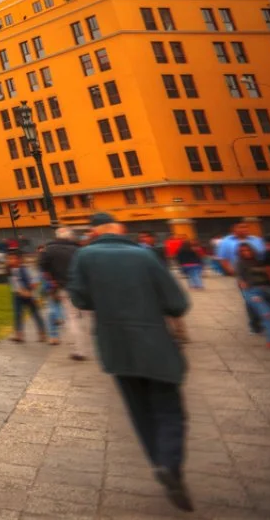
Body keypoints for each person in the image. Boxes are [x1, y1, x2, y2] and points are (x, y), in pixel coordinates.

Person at [68, 212, 193, 513]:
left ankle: (160, 463)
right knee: (169, 408)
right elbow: (177, 303)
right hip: (155, 343)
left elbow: (80, 300)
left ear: (93, 232)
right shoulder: (144, 255)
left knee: (139, 411)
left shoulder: (83, 257)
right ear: (119, 229)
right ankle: (170, 461)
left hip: (114, 344)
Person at [37, 227, 88, 360]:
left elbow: (42, 268)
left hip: (63, 287)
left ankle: (79, 350)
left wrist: (52, 281)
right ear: (70, 237)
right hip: (82, 287)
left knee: (72, 318)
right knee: (84, 317)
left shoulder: (49, 250)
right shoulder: (78, 249)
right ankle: (82, 345)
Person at [233, 243, 270, 352]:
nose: (246, 253)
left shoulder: (259, 261)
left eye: (248, 250)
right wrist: (246, 291)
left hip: (267, 291)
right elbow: (240, 279)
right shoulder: (240, 263)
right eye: (243, 251)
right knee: (267, 316)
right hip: (253, 292)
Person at [215, 223, 265, 332]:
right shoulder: (226, 241)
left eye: (246, 227)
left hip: (260, 272)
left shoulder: (256, 239)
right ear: (234, 229)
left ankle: (267, 319)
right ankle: (255, 324)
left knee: (264, 297)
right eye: (241, 227)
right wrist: (232, 272)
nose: (244, 229)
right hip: (244, 274)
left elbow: (263, 254)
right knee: (250, 300)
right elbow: (223, 258)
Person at [7, 251, 49, 343]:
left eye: (13, 258)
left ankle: (42, 334)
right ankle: (19, 334)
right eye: (9, 258)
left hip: (28, 295)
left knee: (35, 314)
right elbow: (12, 282)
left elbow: (34, 281)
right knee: (17, 314)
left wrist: (30, 290)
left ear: (19, 260)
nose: (11, 260)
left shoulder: (24, 269)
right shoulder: (10, 270)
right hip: (17, 295)